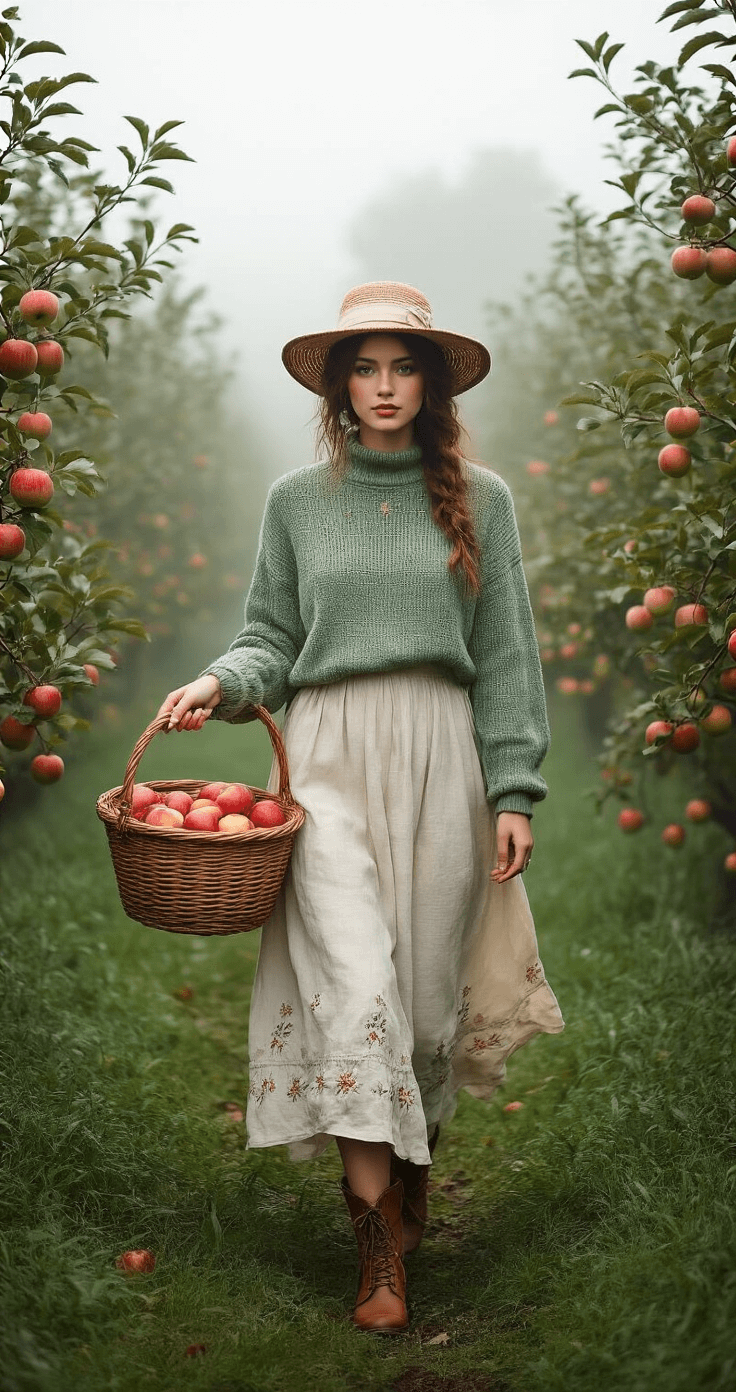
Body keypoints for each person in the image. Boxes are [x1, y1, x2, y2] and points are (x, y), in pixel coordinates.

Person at [156, 281, 564, 1335]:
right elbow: (271, 635)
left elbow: (509, 656)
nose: (383, 387)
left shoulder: (484, 499)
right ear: (338, 385)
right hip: (329, 759)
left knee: (425, 1003)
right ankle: (375, 1251)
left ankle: (415, 1176)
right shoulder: (298, 498)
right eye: (365, 369)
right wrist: (222, 682)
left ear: (430, 383)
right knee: (353, 984)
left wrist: (512, 785)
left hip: (441, 758)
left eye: (403, 366)